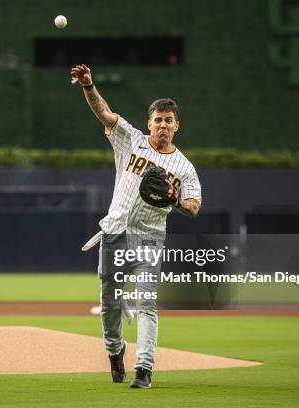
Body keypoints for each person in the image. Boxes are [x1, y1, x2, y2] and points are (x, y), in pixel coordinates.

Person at [71, 64, 202, 389]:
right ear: (149, 123)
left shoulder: (184, 168)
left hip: (149, 239)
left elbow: (194, 208)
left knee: (147, 304)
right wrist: (88, 86)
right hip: (115, 232)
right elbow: (105, 113)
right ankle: (115, 351)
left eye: (168, 120)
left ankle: (144, 369)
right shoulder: (131, 139)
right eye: (157, 119)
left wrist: (174, 198)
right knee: (111, 304)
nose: (162, 125)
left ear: (176, 126)